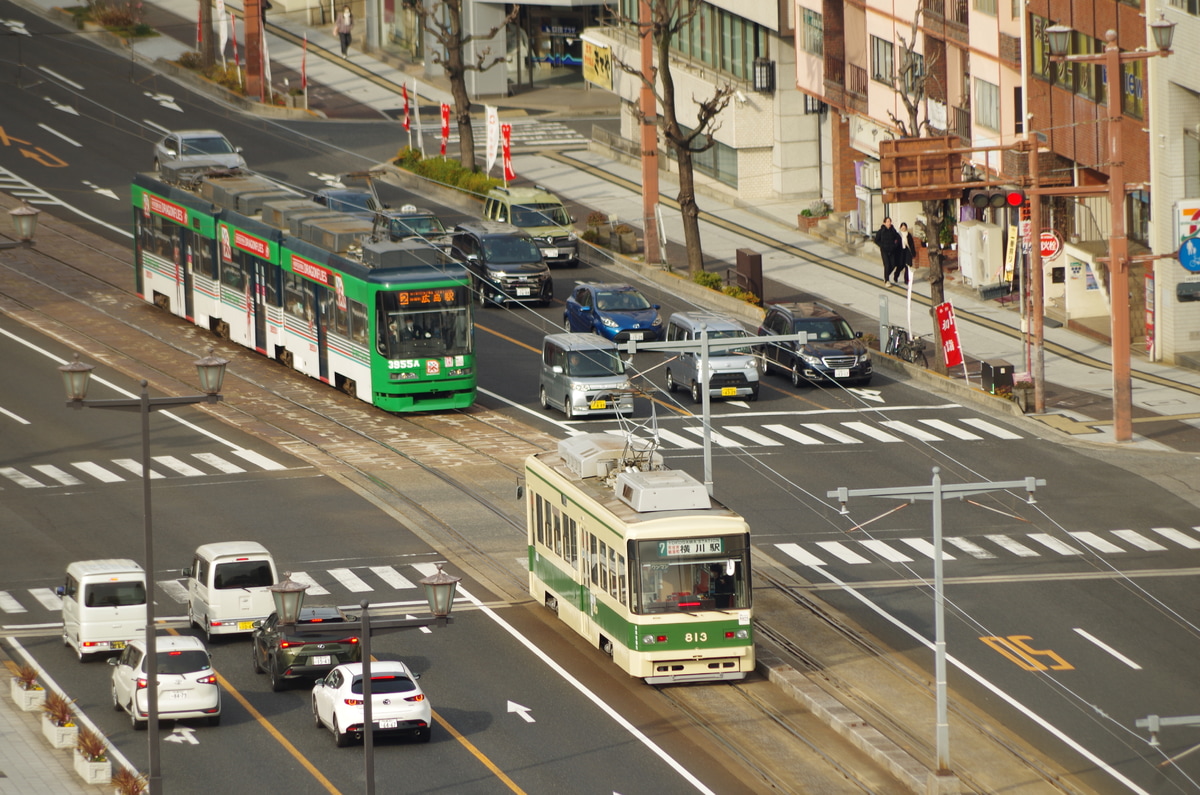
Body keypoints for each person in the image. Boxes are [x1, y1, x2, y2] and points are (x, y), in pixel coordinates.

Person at [874, 216, 902, 286]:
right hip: (884, 250)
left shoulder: (893, 230)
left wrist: (895, 245)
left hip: (892, 250)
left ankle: (886, 276)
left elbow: (898, 238)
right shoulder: (881, 231)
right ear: (884, 223)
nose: (889, 223)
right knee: (887, 265)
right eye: (887, 221)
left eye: (890, 221)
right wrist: (882, 245)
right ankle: (887, 280)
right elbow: (876, 240)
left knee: (893, 265)